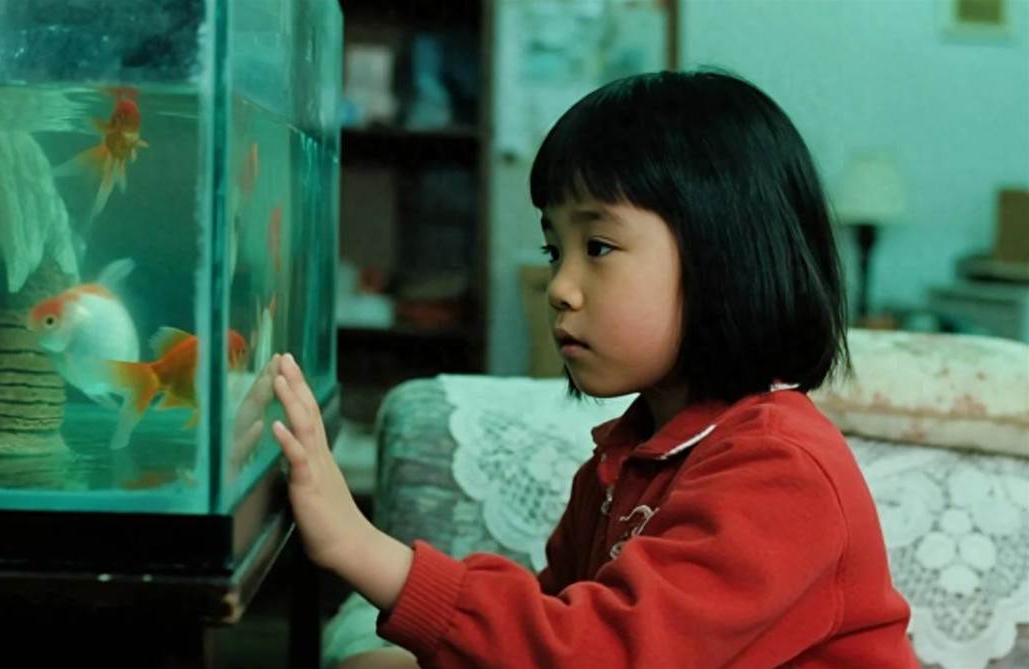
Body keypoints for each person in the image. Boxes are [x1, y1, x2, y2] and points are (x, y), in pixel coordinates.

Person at [269, 70, 918, 668]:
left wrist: (360, 547)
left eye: (598, 246)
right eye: (555, 250)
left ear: (728, 256)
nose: (559, 287)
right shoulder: (626, 458)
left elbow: (598, 654)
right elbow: (545, 628)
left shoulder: (780, 469)